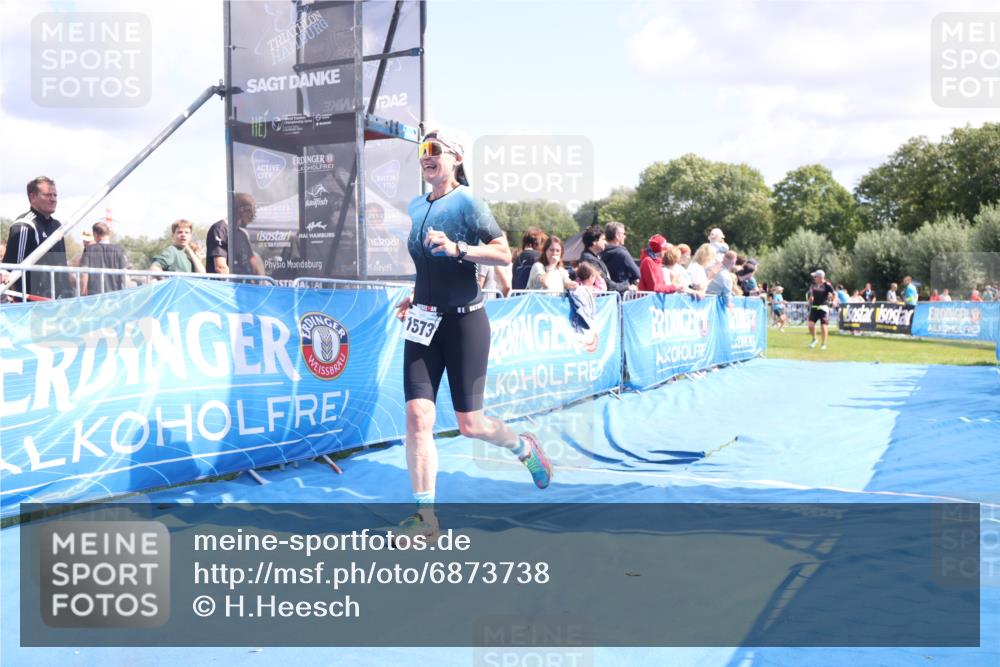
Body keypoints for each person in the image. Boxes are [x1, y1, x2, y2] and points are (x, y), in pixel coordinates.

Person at [394, 129, 551, 539]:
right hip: (423, 321)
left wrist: (459, 248)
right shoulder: (416, 206)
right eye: (422, 150)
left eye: (435, 150)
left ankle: (523, 447)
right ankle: (426, 519)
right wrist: (415, 295)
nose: (426, 156)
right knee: (417, 417)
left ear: (457, 158)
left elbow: (502, 253)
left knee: (471, 424)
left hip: (465, 323)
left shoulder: (468, 202)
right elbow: (428, 266)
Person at [1, 176, 72, 300]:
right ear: (33, 197)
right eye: (47, 195)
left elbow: (62, 265)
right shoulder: (24, 225)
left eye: (55, 195)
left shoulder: (57, 225)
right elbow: (12, 269)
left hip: (59, 299)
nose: (53, 199)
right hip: (33, 302)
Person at [206, 192, 265, 276]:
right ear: (242, 212)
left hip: (243, 282)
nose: (252, 219)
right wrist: (232, 282)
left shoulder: (242, 235)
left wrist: (262, 282)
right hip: (227, 283)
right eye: (252, 215)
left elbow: (253, 262)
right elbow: (220, 267)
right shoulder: (220, 229)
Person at [79, 222, 129, 295]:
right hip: (115, 295)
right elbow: (124, 275)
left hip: (95, 296)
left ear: (95, 234)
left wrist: (82, 293)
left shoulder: (89, 249)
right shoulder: (119, 250)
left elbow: (84, 273)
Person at [579, 224, 631, 294]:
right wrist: (627, 287)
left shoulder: (595, 256)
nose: (605, 242)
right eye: (603, 239)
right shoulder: (589, 259)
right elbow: (606, 283)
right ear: (594, 242)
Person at [600, 221, 640, 286]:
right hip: (622, 289)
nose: (625, 236)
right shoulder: (622, 253)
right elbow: (637, 274)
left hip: (605, 289)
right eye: (624, 234)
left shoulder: (599, 252)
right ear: (617, 236)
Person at [807, 269, 836, 350]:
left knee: (823, 326)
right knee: (810, 325)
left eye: (815, 277)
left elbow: (834, 294)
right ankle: (814, 339)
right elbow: (811, 295)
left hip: (823, 308)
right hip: (814, 307)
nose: (814, 278)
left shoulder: (827, 285)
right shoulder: (813, 285)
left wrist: (834, 301)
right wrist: (809, 301)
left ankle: (823, 344)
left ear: (820, 277)